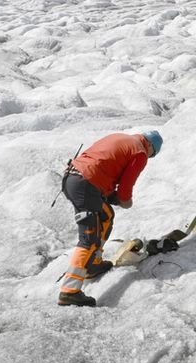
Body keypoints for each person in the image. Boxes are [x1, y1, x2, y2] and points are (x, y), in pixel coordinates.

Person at [57, 130, 163, 307]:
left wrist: (107, 193)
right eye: (153, 155)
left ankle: (93, 264)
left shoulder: (120, 137)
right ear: (151, 147)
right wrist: (125, 201)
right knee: (89, 238)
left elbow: (102, 164)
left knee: (105, 216)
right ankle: (70, 291)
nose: (149, 158)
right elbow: (125, 188)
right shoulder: (140, 152)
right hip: (86, 185)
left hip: (72, 179)